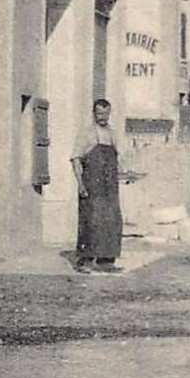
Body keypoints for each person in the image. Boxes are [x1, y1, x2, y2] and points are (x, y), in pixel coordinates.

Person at [72, 99, 123, 271]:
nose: (103, 117)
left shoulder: (113, 134)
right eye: (99, 113)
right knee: (91, 221)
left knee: (111, 221)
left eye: (106, 113)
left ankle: (106, 261)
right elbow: (76, 159)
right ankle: (85, 261)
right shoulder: (85, 133)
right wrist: (80, 184)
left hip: (109, 187)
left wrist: (124, 174)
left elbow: (119, 159)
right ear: (94, 113)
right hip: (91, 185)